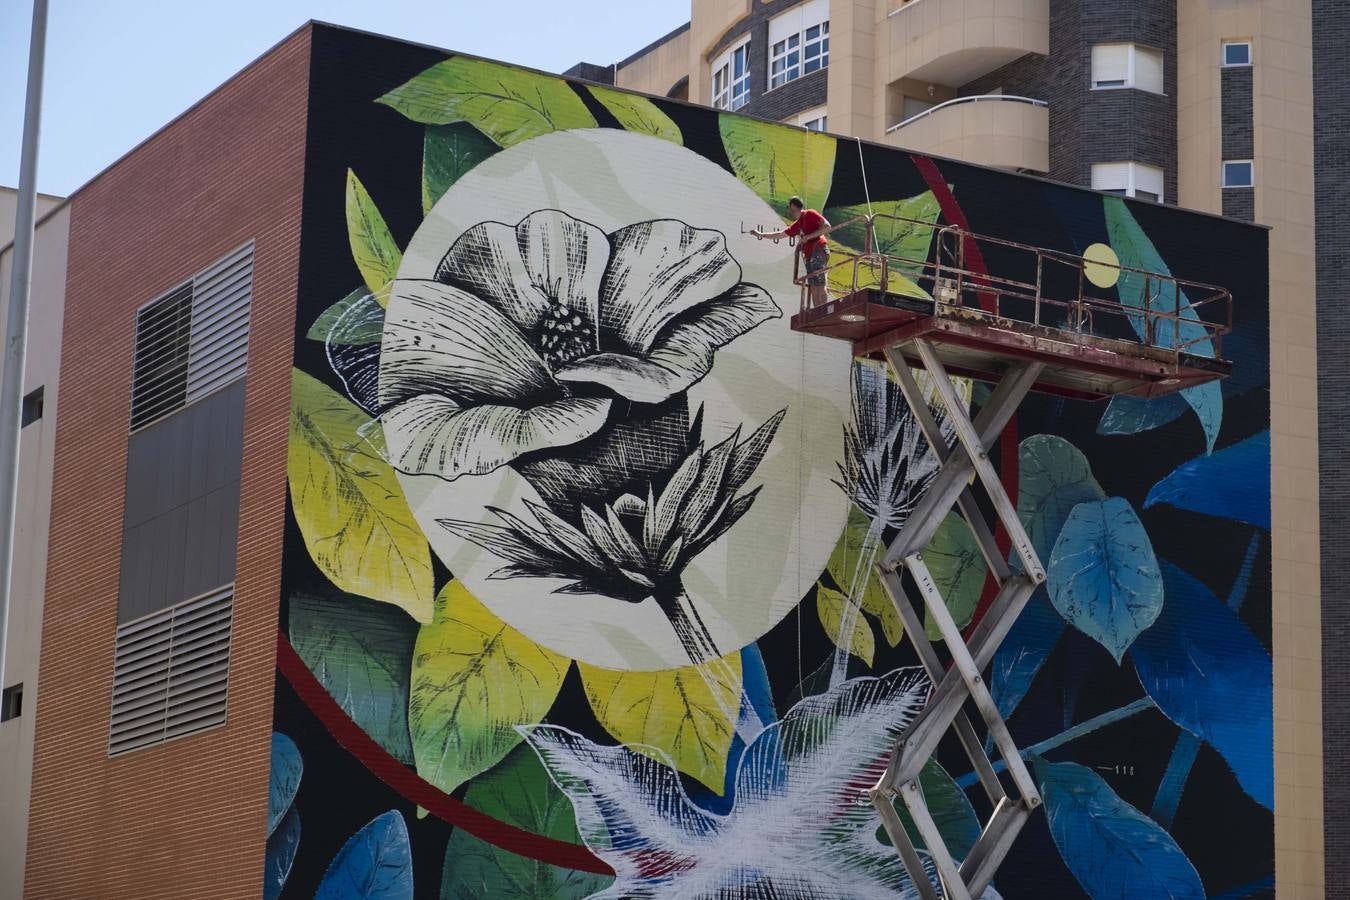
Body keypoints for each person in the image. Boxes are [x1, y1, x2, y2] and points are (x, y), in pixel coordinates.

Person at [753, 197, 832, 308]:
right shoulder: (798, 224)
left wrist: (809, 236)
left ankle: (824, 311)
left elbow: (827, 226)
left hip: (818, 250)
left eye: (790, 207)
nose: (789, 210)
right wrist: (761, 234)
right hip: (809, 256)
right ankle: (817, 313)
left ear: (794, 206)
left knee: (820, 283)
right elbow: (781, 234)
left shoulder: (810, 213)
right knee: (813, 285)